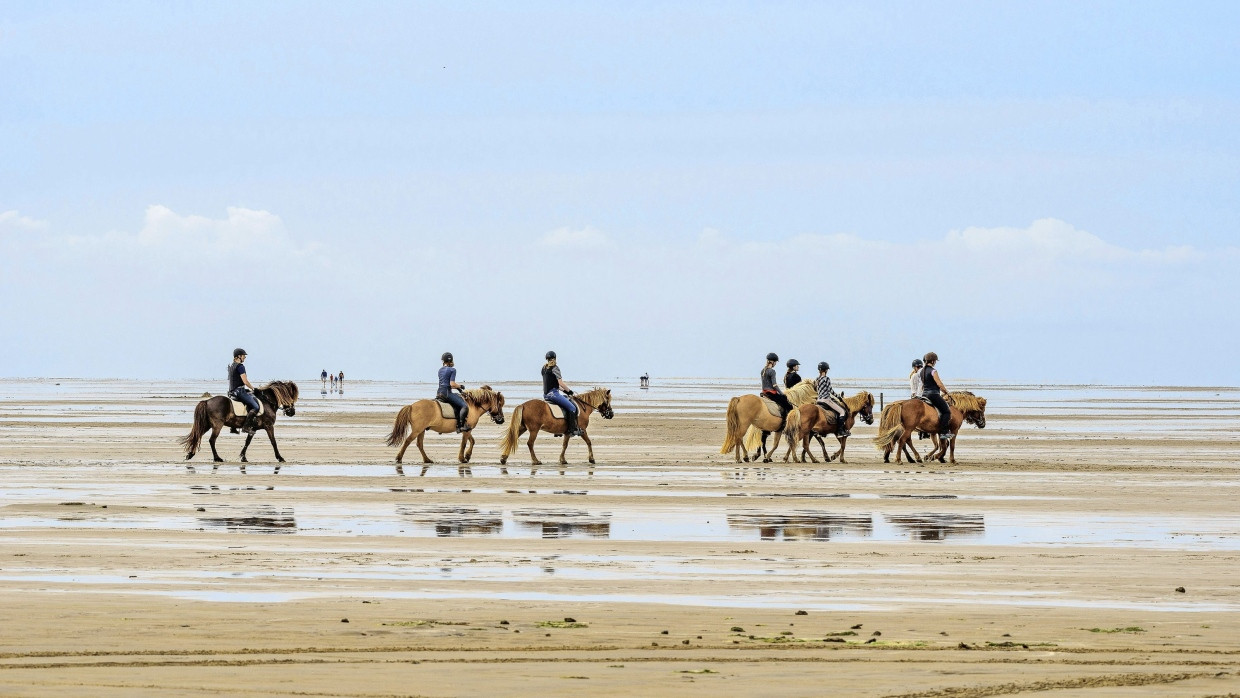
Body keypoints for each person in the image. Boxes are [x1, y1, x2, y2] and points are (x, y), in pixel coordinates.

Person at [542, 351, 582, 437]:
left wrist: (564, 391)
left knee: (564, 399)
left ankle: (558, 430)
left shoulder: (543, 368)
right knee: (572, 408)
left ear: (547, 359)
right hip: (554, 395)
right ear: (555, 358)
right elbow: (560, 383)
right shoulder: (555, 368)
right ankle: (572, 430)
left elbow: (552, 384)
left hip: (546, 395)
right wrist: (570, 391)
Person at [919, 352, 952, 440]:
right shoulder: (933, 371)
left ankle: (923, 432)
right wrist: (946, 391)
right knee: (946, 412)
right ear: (933, 361)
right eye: (935, 361)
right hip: (933, 394)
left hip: (924, 394)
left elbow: (923, 385)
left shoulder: (922, 371)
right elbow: (939, 383)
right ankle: (944, 433)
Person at [227, 348, 260, 434]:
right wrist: (253, 389)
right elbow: (245, 381)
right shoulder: (240, 367)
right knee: (256, 407)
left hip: (231, 391)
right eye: (244, 356)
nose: (245, 357)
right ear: (239, 356)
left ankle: (233, 427)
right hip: (239, 391)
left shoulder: (231, 366)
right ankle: (246, 427)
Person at [813, 362, 850, 437]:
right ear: (826, 370)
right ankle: (840, 431)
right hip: (826, 400)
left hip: (818, 400)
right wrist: (838, 397)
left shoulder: (817, 379)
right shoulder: (826, 378)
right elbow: (830, 390)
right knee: (842, 411)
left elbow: (816, 389)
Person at [437, 352, 470, 433]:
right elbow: (452, 384)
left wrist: (458, 388)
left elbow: (447, 384)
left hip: (439, 393)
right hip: (447, 394)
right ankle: (461, 426)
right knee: (464, 406)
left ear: (443, 360)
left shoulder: (440, 370)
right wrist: (460, 386)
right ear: (451, 360)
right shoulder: (452, 370)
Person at [760, 353, 793, 421]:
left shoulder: (763, 370)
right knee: (788, 405)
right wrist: (782, 393)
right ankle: (785, 421)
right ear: (773, 362)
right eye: (775, 362)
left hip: (764, 392)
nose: (775, 364)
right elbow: (774, 385)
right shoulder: (772, 371)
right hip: (771, 393)